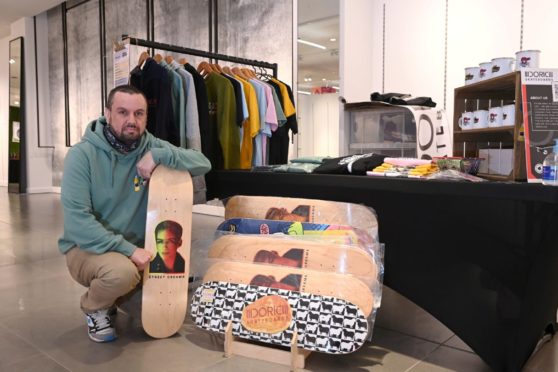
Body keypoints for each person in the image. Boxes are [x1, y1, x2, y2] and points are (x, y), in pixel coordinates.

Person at [58, 85, 211, 343]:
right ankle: (95, 307)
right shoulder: (81, 155)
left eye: (139, 114)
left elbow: (203, 162)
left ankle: (116, 294)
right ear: (107, 113)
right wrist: (128, 250)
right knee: (121, 275)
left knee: (159, 313)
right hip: (87, 249)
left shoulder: (149, 145)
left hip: (138, 254)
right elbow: (78, 223)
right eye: (123, 112)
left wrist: (159, 155)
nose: (132, 120)